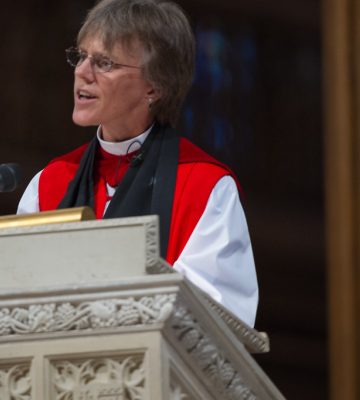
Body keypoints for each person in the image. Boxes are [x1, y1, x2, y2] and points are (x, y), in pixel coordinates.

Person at [17, 0, 258, 327]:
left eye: (104, 63)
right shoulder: (49, 184)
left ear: (155, 86)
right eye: (81, 56)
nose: (82, 72)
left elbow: (219, 320)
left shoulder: (204, 188)